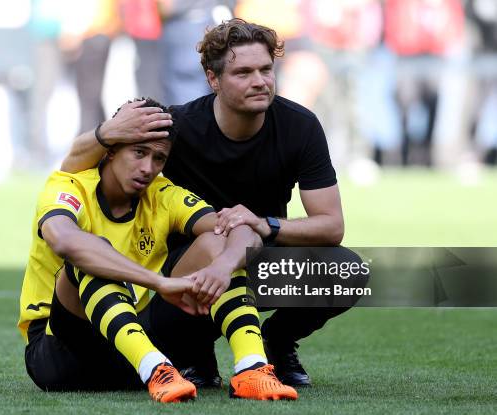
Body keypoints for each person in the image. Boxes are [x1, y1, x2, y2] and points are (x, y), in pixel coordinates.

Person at [60, 19, 358, 388]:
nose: (260, 81)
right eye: (243, 72)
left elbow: (331, 226)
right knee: (210, 246)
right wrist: (106, 133)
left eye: (266, 69)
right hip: (179, 284)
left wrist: (267, 224)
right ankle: (193, 353)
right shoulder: (178, 126)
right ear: (213, 79)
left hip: (253, 260)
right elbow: (72, 168)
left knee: (346, 272)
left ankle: (276, 344)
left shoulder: (301, 126)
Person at [18, 98, 299, 402]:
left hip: (132, 346)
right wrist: (158, 283)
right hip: (60, 354)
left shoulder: (163, 194)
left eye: (159, 159)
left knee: (219, 243)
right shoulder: (68, 185)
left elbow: (243, 229)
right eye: (139, 153)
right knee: (92, 253)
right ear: (111, 150)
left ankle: (252, 369)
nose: (148, 168)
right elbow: (65, 241)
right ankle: (157, 371)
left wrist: (224, 264)